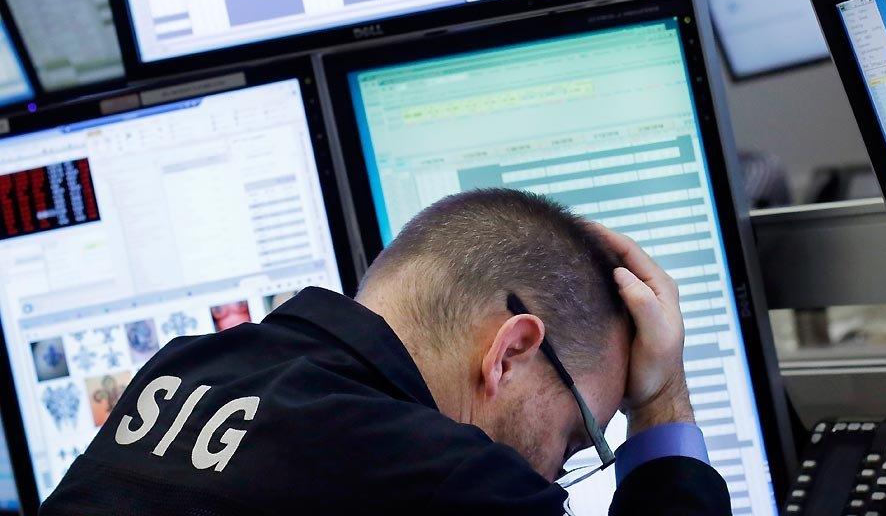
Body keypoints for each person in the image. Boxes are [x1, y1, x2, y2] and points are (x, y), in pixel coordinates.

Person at [41, 189, 730, 515]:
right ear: (511, 351)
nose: (554, 473)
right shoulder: (450, 480)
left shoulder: (182, 370)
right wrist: (660, 397)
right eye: (577, 437)